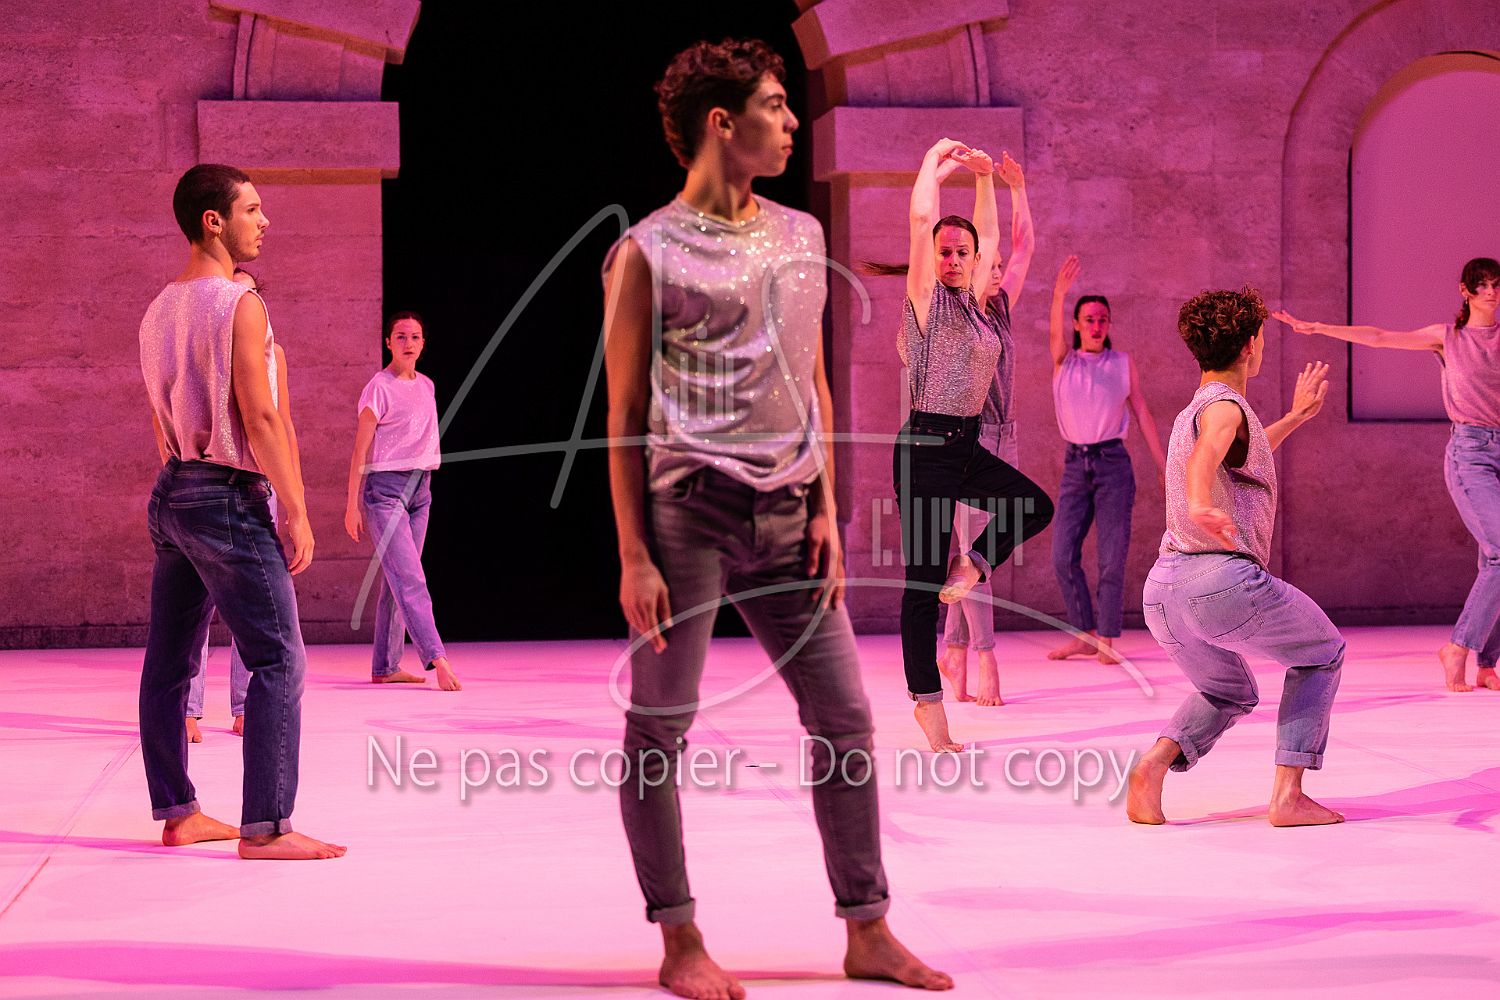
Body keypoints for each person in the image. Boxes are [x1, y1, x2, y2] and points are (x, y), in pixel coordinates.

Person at [604, 38, 950, 1000]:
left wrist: (828, 505)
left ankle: (868, 930)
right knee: (659, 730)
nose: (793, 121)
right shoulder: (646, 252)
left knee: (845, 719)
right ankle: (679, 939)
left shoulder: (801, 235)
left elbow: (813, 380)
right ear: (723, 123)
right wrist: (634, 553)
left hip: (794, 515)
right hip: (688, 513)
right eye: (774, 104)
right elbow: (622, 415)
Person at [138, 163, 344, 859]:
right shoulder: (238, 304)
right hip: (226, 495)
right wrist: (297, 508)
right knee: (278, 657)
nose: (264, 221)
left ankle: (179, 813)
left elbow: (159, 420)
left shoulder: (157, 310)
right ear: (214, 221)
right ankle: (268, 827)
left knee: (169, 663)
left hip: (174, 490)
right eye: (252, 209)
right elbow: (260, 416)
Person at [1126, 286, 1344, 827]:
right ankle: (1288, 796)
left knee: (1226, 691)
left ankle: (1154, 764)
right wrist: (1200, 501)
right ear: (1249, 345)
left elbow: (1237, 454)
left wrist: (1294, 417)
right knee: (1321, 653)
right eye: (1261, 336)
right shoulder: (1225, 407)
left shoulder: (1196, 409)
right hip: (1219, 583)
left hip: (1164, 593)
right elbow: (1208, 456)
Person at [891, 138, 1054, 751]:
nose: (955, 259)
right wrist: (932, 161)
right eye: (946, 252)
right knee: (921, 586)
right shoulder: (926, 304)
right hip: (925, 449)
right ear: (934, 259)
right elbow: (921, 220)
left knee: (1034, 505)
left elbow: (996, 240)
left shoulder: (984, 308)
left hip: (966, 444)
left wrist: (987, 180)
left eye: (964, 253)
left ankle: (975, 563)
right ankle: (928, 705)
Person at [1273, 257, 1500, 692]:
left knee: (1492, 559)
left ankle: (1487, 664)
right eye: (1482, 284)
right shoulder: (1448, 337)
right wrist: (1317, 328)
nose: (1491, 292)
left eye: (1496, 284)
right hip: (1471, 453)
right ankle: (1458, 647)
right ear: (1466, 290)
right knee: (1499, 552)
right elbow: (1378, 337)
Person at [935, 160, 1035, 707]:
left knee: (975, 555)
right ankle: (985, 657)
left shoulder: (1002, 311)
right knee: (974, 556)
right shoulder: (964, 310)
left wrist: (1016, 187)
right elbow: (993, 240)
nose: (999, 271)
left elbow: (1024, 246)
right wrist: (981, 182)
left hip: (1006, 436)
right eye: (988, 264)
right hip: (968, 440)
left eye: (999, 267)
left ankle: (953, 650)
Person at [182, 269, 291, 741]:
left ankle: (246, 705)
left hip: (259, 486)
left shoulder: (273, 354)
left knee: (255, 607)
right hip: (212, 482)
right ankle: (188, 707)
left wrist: (295, 500)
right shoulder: (204, 349)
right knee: (197, 605)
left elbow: (280, 423)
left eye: (246, 293)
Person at [1044, 256, 1167, 665]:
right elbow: (1055, 333)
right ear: (1077, 324)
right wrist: (1059, 293)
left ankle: (1107, 638)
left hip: (1113, 465)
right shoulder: (1064, 361)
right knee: (1063, 555)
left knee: (1112, 556)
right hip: (1075, 467)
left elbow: (1143, 412)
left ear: (1108, 324)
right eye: (1089, 320)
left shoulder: (1122, 363)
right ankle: (1085, 634)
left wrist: (1163, 465)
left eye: (1102, 320)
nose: (1097, 326)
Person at [344, 311, 460, 692]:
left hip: (421, 490)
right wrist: (352, 504)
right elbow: (360, 448)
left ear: (423, 343)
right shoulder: (378, 388)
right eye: (400, 336)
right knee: (410, 578)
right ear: (388, 343)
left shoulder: (427, 385)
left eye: (415, 337)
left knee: (397, 579)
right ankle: (438, 658)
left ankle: (385, 665)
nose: (408, 343)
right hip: (386, 491)